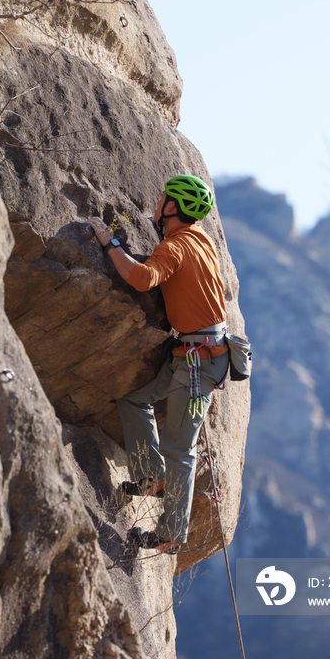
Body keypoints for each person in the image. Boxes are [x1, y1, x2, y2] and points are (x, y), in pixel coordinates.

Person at [87, 175, 229, 555]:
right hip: (194, 354)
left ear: (172, 208)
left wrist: (110, 242)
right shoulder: (201, 240)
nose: (157, 200)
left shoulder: (179, 245)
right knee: (134, 401)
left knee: (181, 447)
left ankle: (170, 534)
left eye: (163, 197)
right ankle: (150, 477)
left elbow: (140, 277)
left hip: (200, 362)